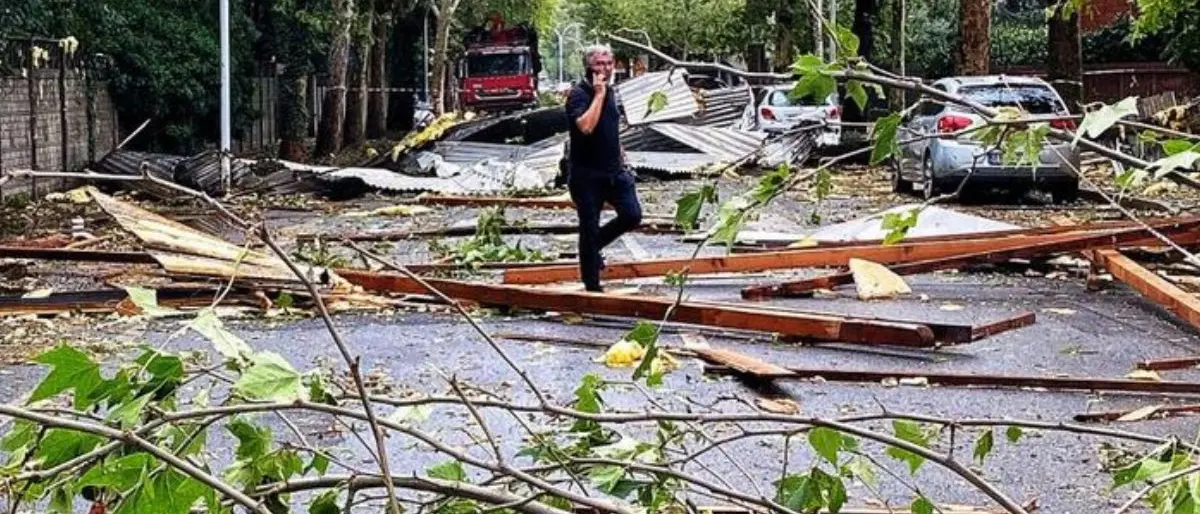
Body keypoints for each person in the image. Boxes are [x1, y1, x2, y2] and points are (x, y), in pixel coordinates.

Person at [564, 44, 643, 292]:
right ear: (589, 66)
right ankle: (592, 289)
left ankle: (592, 247)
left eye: (609, 63)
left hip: (615, 171)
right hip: (586, 175)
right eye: (600, 64)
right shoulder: (578, 94)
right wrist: (598, 95)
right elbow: (585, 127)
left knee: (632, 215)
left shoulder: (611, 92)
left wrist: (622, 156)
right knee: (588, 225)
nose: (606, 69)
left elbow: (611, 130)